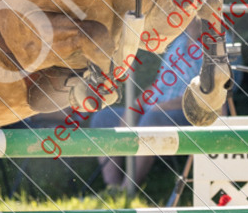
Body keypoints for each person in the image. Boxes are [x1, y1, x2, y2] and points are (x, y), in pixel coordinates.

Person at [91, 23, 217, 190]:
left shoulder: (217, 46)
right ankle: (113, 189)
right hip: (154, 108)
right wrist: (136, 105)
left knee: (152, 121)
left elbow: (211, 96)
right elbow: (160, 83)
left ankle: (128, 189)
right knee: (103, 119)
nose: (193, 16)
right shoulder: (178, 42)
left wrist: (163, 106)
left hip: (186, 113)